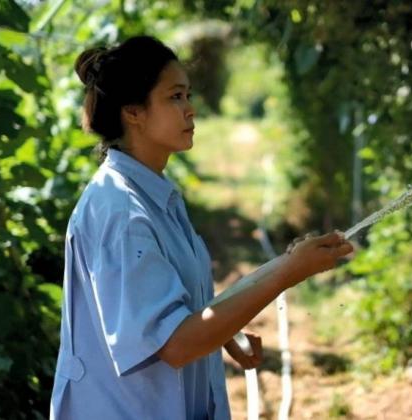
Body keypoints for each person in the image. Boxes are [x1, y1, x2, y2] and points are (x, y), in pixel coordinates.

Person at [49, 35, 354, 420]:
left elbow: (167, 304)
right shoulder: (122, 213)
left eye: (188, 95)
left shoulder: (153, 194)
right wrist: (288, 274)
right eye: (175, 97)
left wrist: (228, 331)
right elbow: (175, 345)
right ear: (133, 112)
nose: (190, 109)